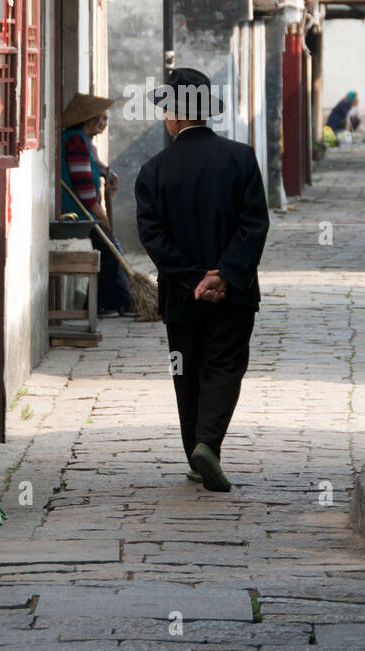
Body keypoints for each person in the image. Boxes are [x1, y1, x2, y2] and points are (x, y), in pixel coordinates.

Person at [135, 67, 269, 493]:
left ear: (174, 114)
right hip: (235, 293)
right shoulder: (241, 158)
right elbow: (254, 225)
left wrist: (193, 277)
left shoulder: (153, 171)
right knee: (225, 366)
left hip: (180, 294)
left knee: (185, 369)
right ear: (206, 112)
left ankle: (196, 449)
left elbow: (152, 236)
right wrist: (225, 275)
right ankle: (208, 443)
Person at [60, 92, 132, 317]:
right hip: (77, 212)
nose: (103, 123)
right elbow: (84, 188)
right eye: (100, 118)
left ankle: (121, 301)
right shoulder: (75, 140)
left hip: (84, 211)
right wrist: (101, 216)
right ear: (88, 118)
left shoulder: (82, 140)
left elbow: (91, 165)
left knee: (111, 249)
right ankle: (105, 305)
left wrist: (107, 173)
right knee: (109, 253)